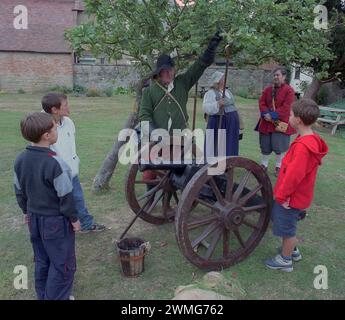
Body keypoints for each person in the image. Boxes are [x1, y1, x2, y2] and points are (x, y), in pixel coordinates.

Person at [14, 112, 80, 299]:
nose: (57, 129)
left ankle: (43, 295)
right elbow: (66, 196)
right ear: (47, 135)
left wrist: (26, 211)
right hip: (56, 223)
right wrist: (74, 219)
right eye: (54, 127)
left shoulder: (20, 159)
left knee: (42, 260)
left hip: (34, 220)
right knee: (63, 264)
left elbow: (19, 191)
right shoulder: (56, 163)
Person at [265, 99, 328, 272]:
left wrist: (282, 196)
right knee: (288, 223)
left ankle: (285, 260)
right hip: (298, 195)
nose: (289, 117)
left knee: (287, 228)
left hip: (291, 198)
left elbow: (293, 177)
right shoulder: (309, 138)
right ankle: (293, 252)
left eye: (291, 114)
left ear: (298, 120)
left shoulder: (303, 147)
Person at [41, 93, 105, 233]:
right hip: (54, 175)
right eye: (65, 105)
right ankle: (60, 229)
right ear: (54, 109)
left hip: (71, 171)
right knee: (57, 204)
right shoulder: (41, 125)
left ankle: (86, 224)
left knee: (78, 199)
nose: (69, 107)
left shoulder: (68, 122)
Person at [257, 67, 296, 176]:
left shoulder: (289, 91)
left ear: (284, 77)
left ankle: (278, 167)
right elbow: (262, 102)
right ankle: (263, 165)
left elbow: (286, 107)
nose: (275, 77)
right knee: (265, 145)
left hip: (280, 123)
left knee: (280, 146)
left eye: (278, 75)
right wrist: (265, 114)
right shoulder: (268, 89)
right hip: (266, 122)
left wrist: (273, 115)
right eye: (274, 75)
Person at [203, 70, 241, 158]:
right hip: (218, 122)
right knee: (217, 143)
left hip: (231, 123)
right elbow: (206, 108)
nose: (225, 79)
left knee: (230, 142)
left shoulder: (228, 92)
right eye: (223, 78)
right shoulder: (211, 93)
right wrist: (217, 104)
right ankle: (215, 162)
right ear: (218, 80)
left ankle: (229, 161)